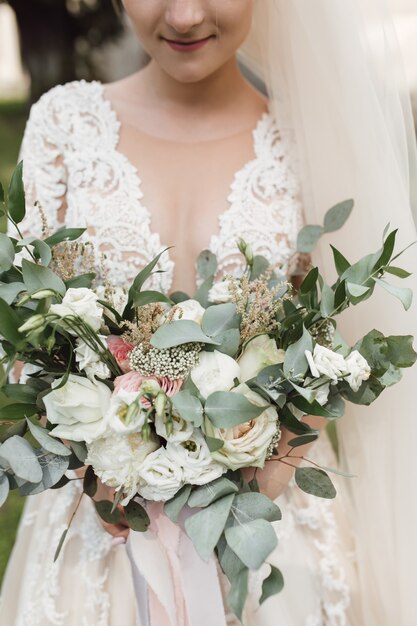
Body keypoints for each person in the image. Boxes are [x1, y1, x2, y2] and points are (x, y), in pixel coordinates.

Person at [1, 1, 417, 625]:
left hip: (270, 522)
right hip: (101, 524)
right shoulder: (65, 125)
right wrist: (89, 459)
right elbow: (26, 325)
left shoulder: (310, 141)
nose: (187, 15)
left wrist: (275, 465)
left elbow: (342, 349)